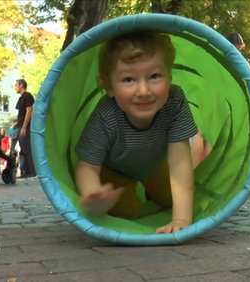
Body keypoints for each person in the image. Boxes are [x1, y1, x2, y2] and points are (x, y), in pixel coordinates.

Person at [75, 31, 197, 234]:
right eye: (129, 79)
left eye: (155, 76)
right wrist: (92, 193)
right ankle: (132, 195)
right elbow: (87, 165)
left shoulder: (175, 101)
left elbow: (180, 162)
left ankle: (152, 192)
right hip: (115, 171)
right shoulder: (106, 115)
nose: (143, 90)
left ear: (169, 77)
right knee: (127, 211)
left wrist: (182, 219)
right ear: (108, 86)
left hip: (154, 165)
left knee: (171, 197)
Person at [14, 79, 36, 178]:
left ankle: (32, 172)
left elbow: (29, 111)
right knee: (23, 150)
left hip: (25, 127)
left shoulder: (28, 96)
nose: (15, 87)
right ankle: (25, 172)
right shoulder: (21, 98)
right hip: (20, 126)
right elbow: (21, 114)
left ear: (21, 85)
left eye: (16, 85)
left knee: (27, 149)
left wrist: (24, 127)